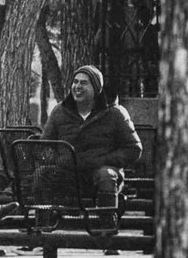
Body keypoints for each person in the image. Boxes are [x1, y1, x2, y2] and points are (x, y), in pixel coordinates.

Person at [40, 64, 142, 239]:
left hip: (101, 173)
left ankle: (108, 233)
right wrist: (57, 160)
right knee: (41, 174)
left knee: (106, 175)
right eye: (75, 82)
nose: (77, 87)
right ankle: (41, 230)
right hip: (69, 174)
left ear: (96, 88)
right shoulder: (59, 111)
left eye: (84, 83)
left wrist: (102, 160)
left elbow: (134, 149)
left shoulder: (115, 113)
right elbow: (44, 146)